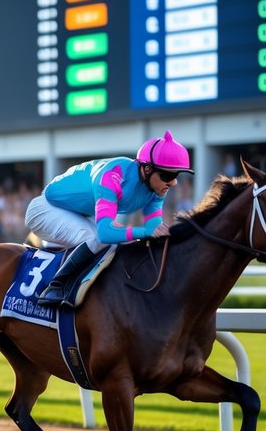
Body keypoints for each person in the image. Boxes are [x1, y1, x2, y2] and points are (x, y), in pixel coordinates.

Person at [24, 130, 193, 307]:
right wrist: (144, 232)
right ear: (147, 169)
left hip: (78, 212)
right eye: (168, 176)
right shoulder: (113, 176)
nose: (173, 183)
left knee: (116, 243)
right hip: (46, 209)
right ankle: (55, 287)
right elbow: (106, 233)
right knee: (98, 239)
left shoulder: (157, 190)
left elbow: (153, 231)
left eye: (176, 176)